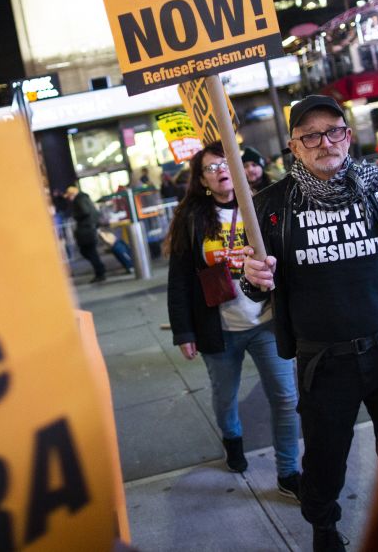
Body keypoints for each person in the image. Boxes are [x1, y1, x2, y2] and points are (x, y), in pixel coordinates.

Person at [241, 96, 378, 551]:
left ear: (347, 133)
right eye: (311, 136)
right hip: (323, 365)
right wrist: (251, 277)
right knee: (325, 462)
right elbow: (253, 285)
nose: (325, 142)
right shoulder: (270, 206)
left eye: (334, 131)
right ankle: (323, 528)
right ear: (294, 147)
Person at [165, 142, 302, 500]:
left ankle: (289, 470)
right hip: (219, 328)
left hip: (267, 322)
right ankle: (233, 438)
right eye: (210, 168)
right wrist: (184, 331)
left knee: (286, 398)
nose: (220, 170)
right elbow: (179, 279)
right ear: (202, 181)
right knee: (225, 396)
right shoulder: (191, 218)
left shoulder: (264, 204)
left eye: (226, 163)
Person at [64, 185, 107, 283]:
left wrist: (75, 215)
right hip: (89, 227)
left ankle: (100, 271)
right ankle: (100, 270)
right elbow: (93, 212)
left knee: (88, 251)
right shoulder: (84, 198)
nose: (69, 199)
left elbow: (85, 211)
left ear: (72, 194)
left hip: (85, 228)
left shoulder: (79, 199)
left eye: (69, 196)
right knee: (90, 251)